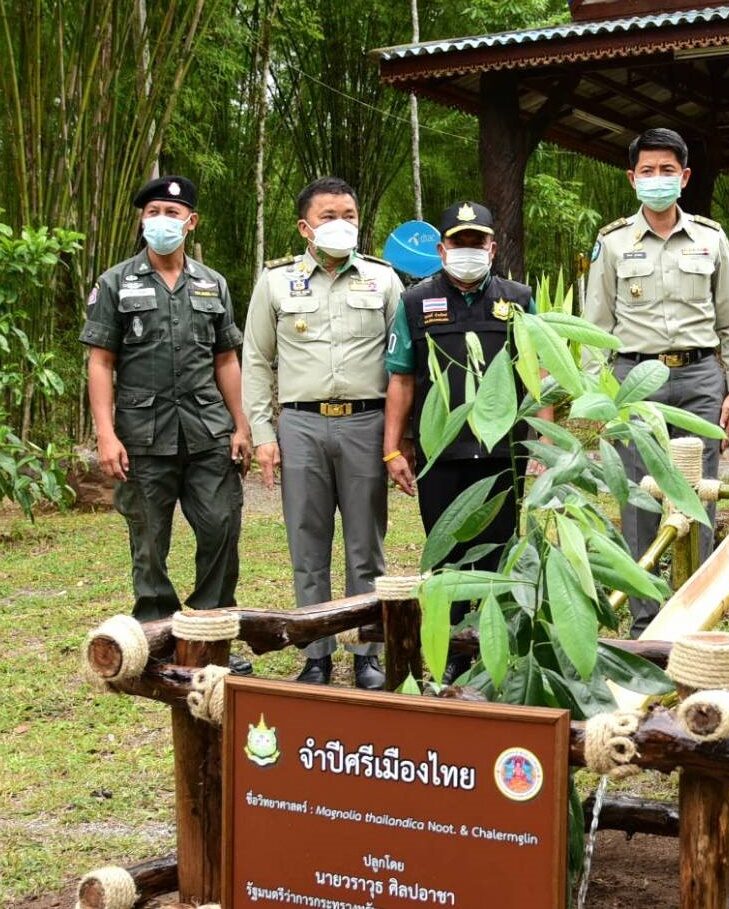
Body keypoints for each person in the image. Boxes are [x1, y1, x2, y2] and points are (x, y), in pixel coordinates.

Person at [583, 128, 729, 638]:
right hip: (634, 379)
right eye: (648, 171)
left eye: (668, 170)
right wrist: (600, 399)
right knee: (639, 496)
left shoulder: (711, 237)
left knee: (699, 494)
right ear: (633, 179)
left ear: (685, 176)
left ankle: (694, 611)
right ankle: (645, 620)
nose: (658, 180)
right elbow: (596, 327)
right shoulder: (612, 242)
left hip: (701, 376)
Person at [81, 177, 253, 674]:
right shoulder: (116, 282)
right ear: (141, 219)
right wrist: (106, 434)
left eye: (173, 212)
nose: (162, 220)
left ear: (190, 222)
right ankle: (156, 637)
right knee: (149, 540)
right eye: (154, 210)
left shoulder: (211, 283)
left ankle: (210, 633)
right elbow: (101, 361)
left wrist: (240, 426)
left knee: (221, 527)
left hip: (207, 430)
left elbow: (226, 358)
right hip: (143, 435)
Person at [242, 176, 403, 689]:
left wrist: (398, 440)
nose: (342, 224)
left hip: (365, 423)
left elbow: (403, 365)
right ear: (305, 227)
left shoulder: (384, 280)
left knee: (366, 549)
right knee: (307, 547)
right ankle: (315, 653)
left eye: (349, 215)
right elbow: (256, 360)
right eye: (330, 216)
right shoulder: (275, 282)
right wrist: (265, 433)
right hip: (302, 425)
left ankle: (366, 654)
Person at [384, 202, 546, 680]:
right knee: (447, 553)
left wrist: (542, 444)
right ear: (442, 249)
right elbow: (401, 379)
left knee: (499, 550)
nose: (469, 251)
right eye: (459, 243)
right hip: (442, 456)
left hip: (503, 452)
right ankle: (454, 650)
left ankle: (495, 648)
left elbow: (539, 372)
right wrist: (394, 447)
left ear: (492, 247)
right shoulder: (415, 303)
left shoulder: (519, 298)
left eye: (478, 242)